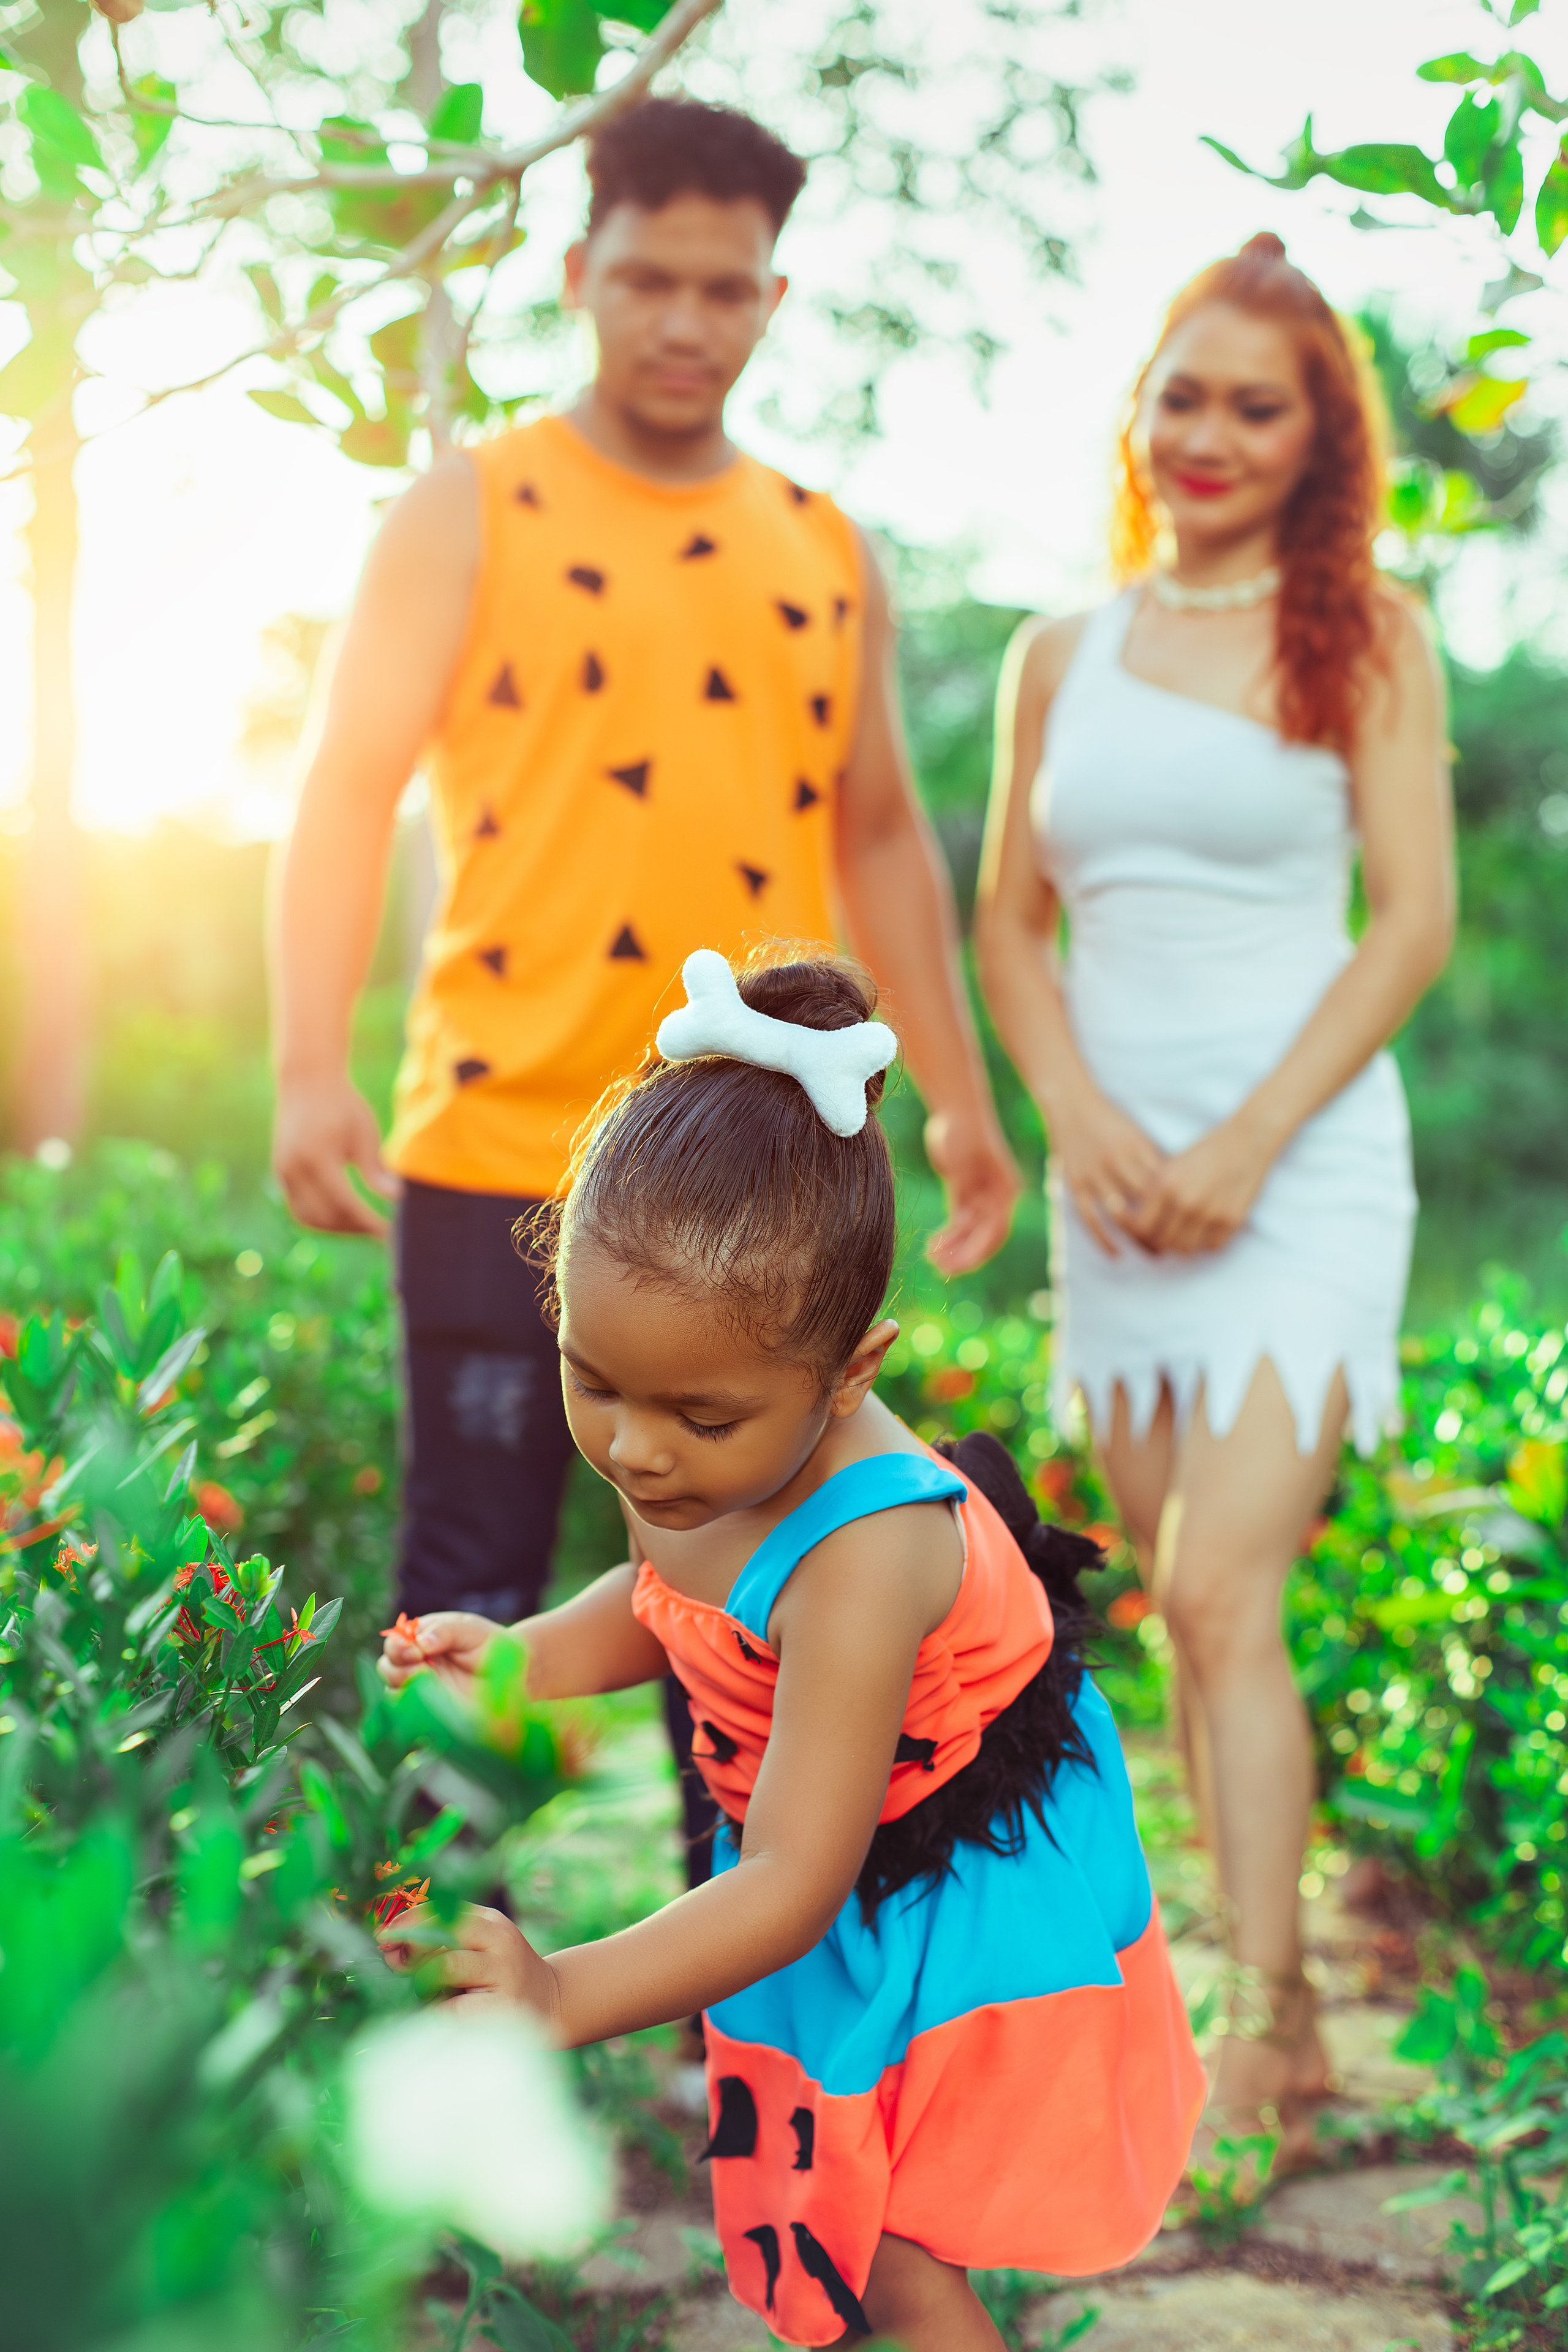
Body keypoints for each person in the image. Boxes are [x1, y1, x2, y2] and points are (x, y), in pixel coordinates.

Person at [269, 96, 1017, 1673]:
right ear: (576, 273)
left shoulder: (825, 547)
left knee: (755, 1615)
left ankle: (753, 1923)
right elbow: (343, 785)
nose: (685, 320)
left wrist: (953, 1095)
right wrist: (303, 1068)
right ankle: (423, 1925)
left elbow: (881, 833)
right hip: (492, 1146)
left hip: (762, 1178)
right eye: (646, 280)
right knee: (458, 1573)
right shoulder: (466, 507)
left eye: (724, 288)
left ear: (774, 297)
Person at [377, 944, 1203, 2352]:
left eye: (696, 1421)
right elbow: (667, 1597)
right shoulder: (700, 1426)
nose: (635, 1449)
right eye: (592, 1381)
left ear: (849, 1375)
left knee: (887, 2243)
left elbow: (789, 1880)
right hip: (833, 1846)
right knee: (845, 2212)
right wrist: (519, 1658)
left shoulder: (866, 1555)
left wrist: (565, 1989)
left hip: (944, 1881)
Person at [975, 233, 1455, 2166]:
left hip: (1305, 1159)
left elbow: (1415, 924)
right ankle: (1286, 2003)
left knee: (1213, 1586)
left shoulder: (1374, 631)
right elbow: (1010, 925)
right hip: (1117, 1187)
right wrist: (1075, 1120)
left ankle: (1268, 2018)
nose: (1211, 433)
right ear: (1141, 406)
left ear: (1321, 437)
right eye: (1185, 393)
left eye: (1260, 406)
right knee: (1187, 1624)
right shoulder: (1055, 654)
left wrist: (1250, 1139)